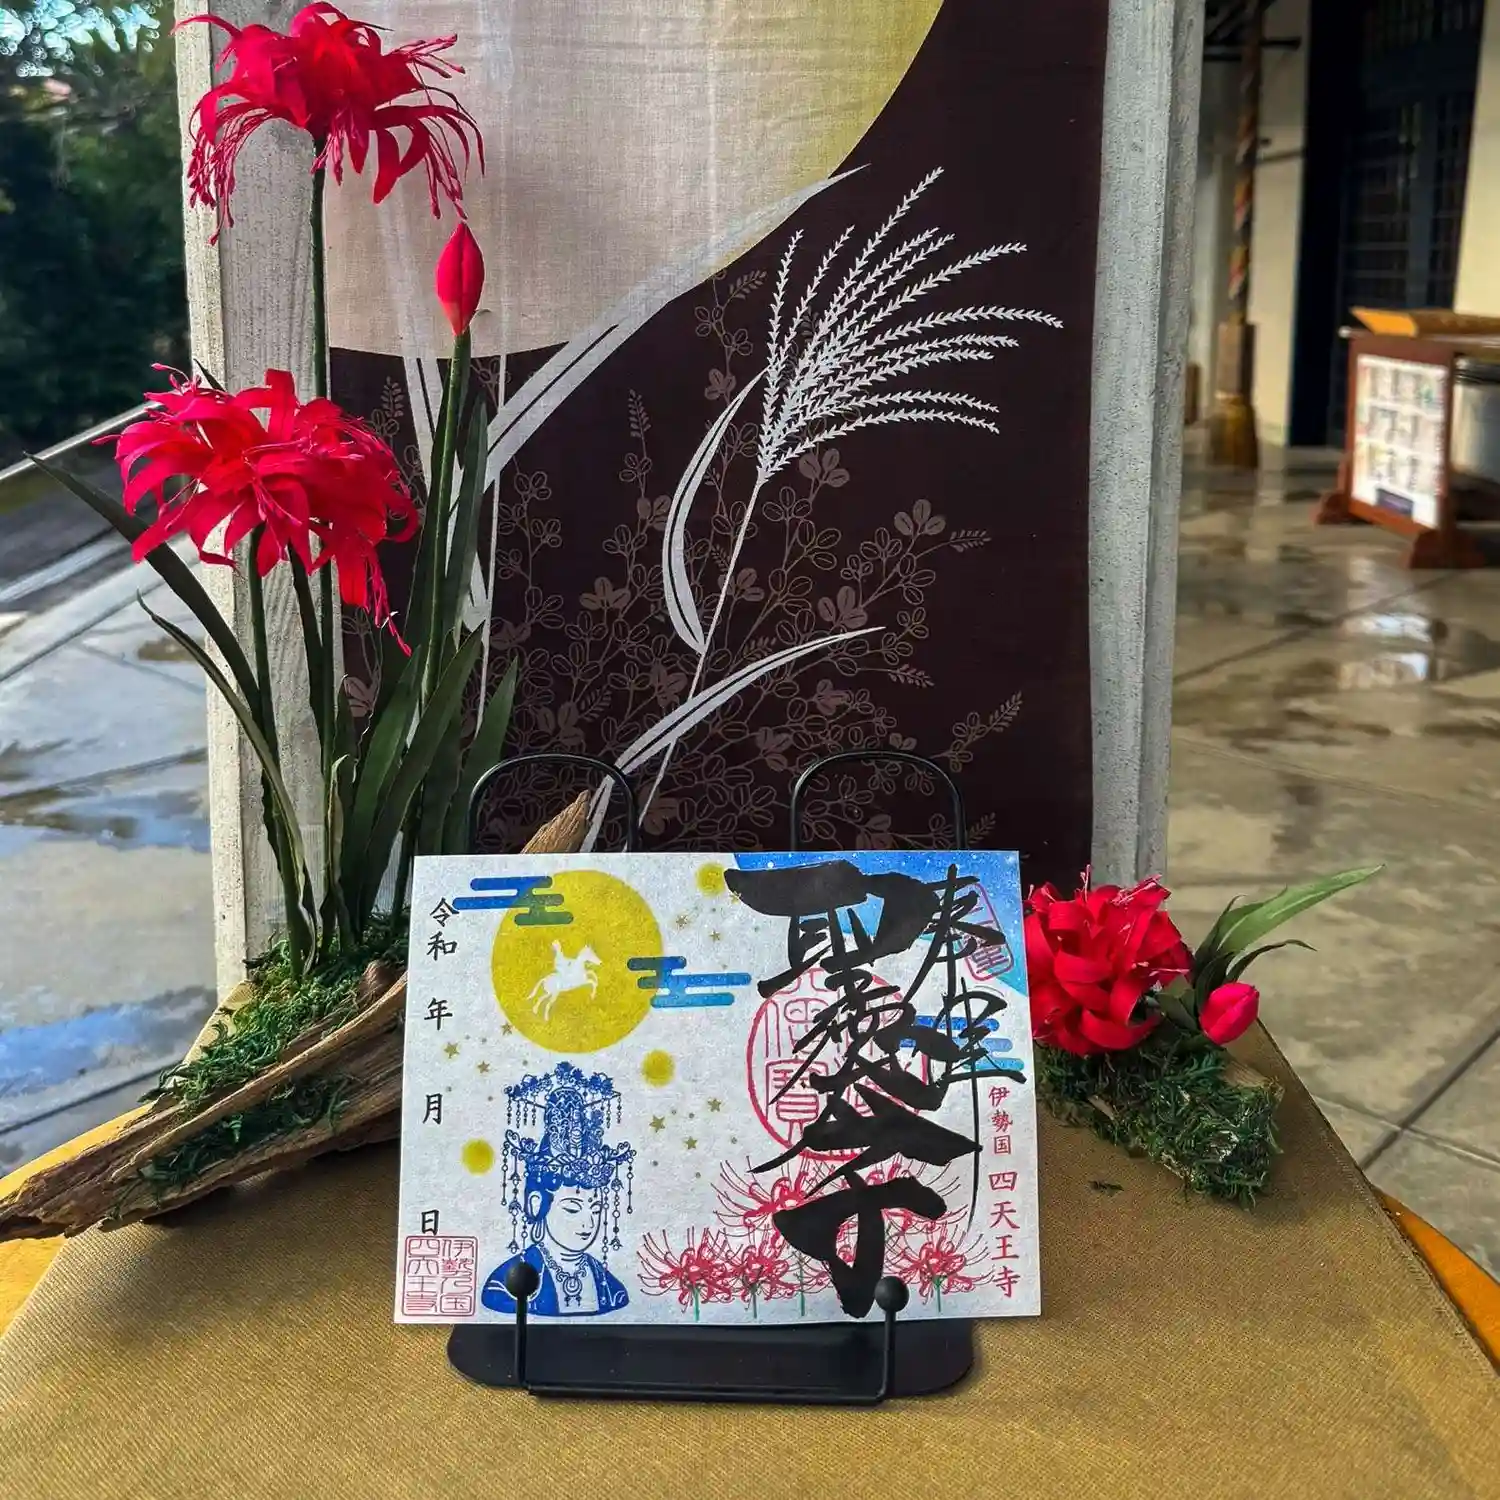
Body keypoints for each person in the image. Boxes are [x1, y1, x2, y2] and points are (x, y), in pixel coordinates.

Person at [483, 1067, 633, 1317]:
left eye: (596, 1210)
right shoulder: (502, 1287)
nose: (588, 1224)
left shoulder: (611, 1290)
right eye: (572, 1208)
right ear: (536, 1204)